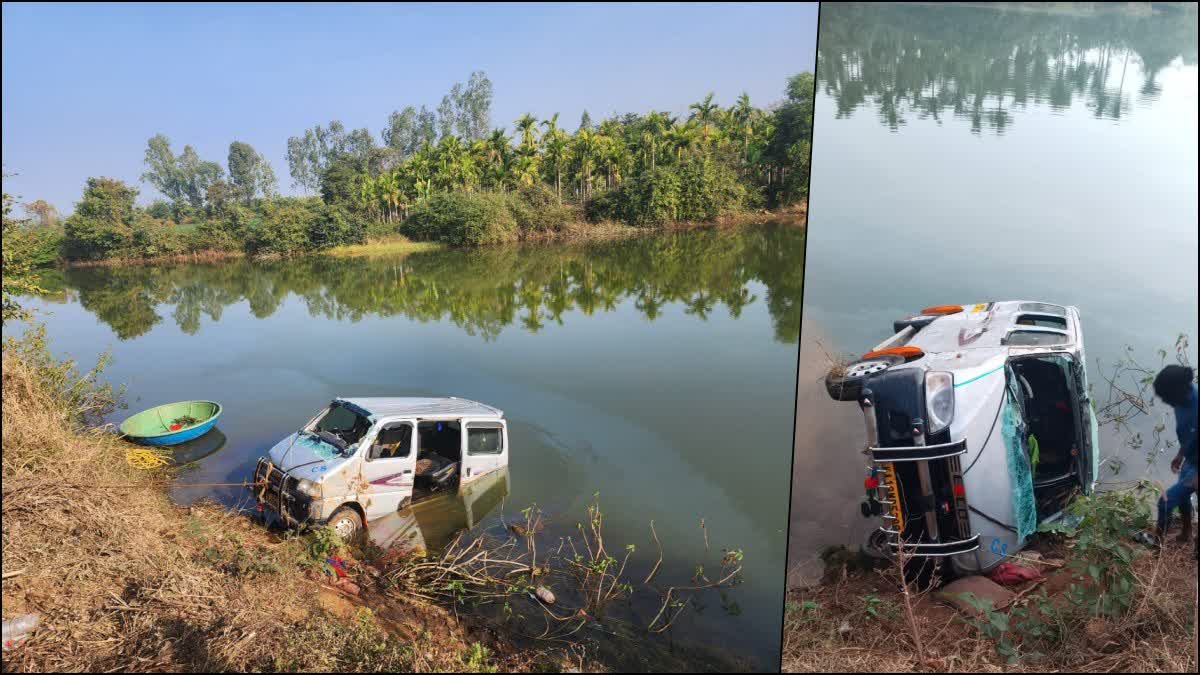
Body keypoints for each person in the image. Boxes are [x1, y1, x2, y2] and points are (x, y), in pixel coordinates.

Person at [1154, 365, 1198, 543]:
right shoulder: (1179, 401)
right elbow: (1190, 432)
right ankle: (1186, 533)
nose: (1164, 401)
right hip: (1191, 458)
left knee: (1165, 501)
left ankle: (1157, 545)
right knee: (1182, 497)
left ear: (1177, 392)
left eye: (1165, 396)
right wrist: (1180, 454)